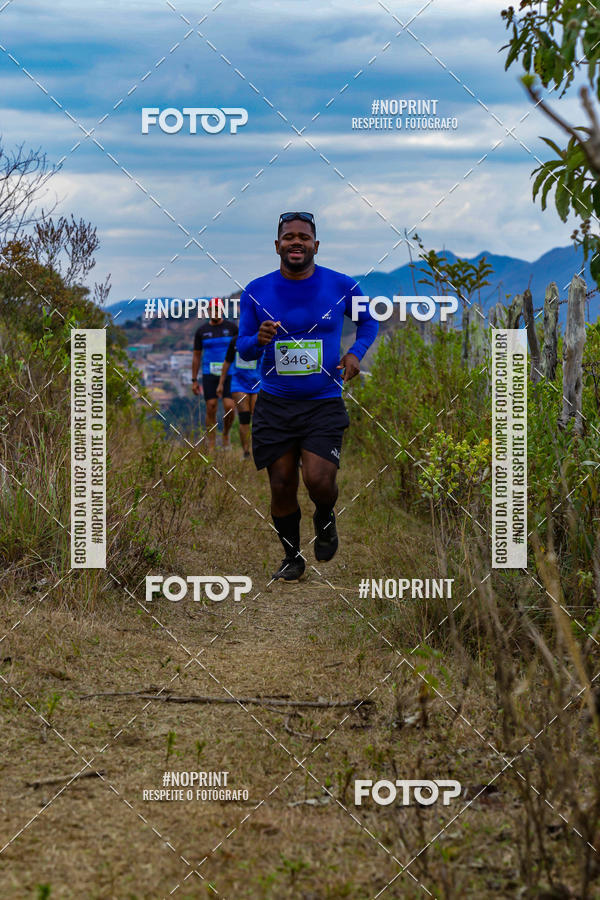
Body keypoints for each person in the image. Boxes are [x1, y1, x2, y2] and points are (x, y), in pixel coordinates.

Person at [236, 212, 378, 581]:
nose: (295, 242)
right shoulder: (255, 290)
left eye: (303, 236)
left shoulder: (342, 285)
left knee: (319, 480)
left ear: (316, 245)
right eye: (288, 237)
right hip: (274, 404)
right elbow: (244, 348)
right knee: (281, 484)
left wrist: (354, 354)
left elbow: (369, 321)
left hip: (323, 402)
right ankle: (293, 557)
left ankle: (325, 514)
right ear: (277, 245)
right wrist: (258, 340)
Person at [191, 298, 238, 451]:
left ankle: (225, 434)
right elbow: (197, 356)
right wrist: (194, 379)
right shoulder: (201, 331)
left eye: (218, 309)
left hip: (230, 373)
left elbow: (242, 349)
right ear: (208, 312)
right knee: (211, 407)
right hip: (209, 373)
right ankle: (211, 442)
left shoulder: (232, 328)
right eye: (213, 310)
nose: (215, 312)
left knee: (230, 407)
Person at [216, 336, 262, 458]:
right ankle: (246, 452)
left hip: (257, 382)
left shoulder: (261, 338)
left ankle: (258, 449)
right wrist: (221, 383)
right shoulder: (235, 341)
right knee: (244, 417)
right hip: (239, 383)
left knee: (257, 416)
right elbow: (227, 362)